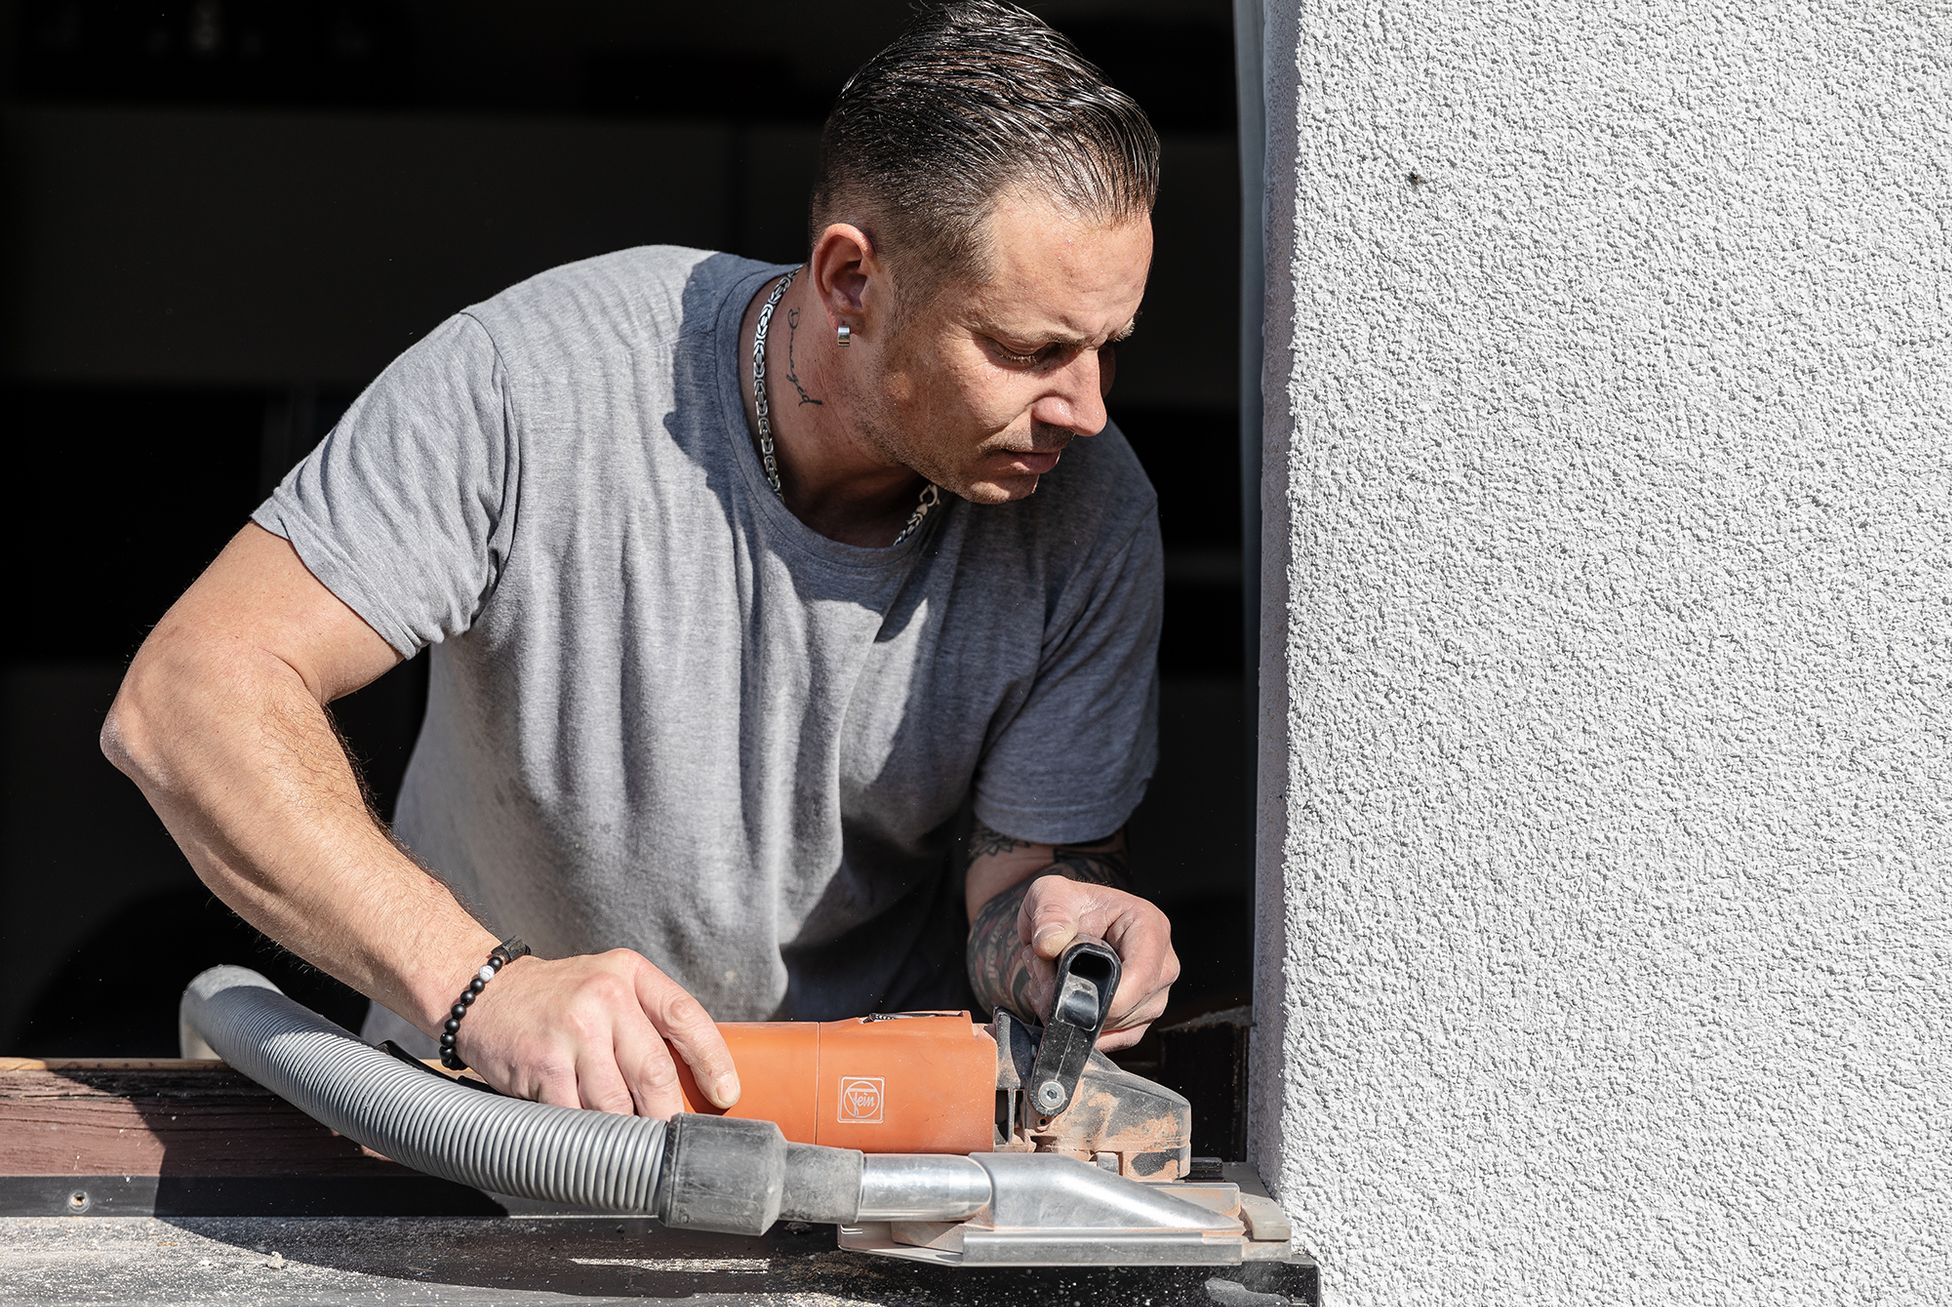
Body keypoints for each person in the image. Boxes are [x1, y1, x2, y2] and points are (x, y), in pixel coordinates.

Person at [101, 0, 1179, 1120]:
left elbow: (1016, 882)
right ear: (851, 279)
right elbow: (189, 696)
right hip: (483, 1124)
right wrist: (483, 986)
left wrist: (1068, 933)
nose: (1087, 409)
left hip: (865, 1143)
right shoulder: (531, 382)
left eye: (1108, 346)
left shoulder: (1088, 511)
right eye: (1026, 348)